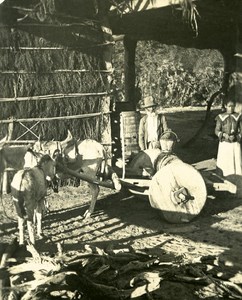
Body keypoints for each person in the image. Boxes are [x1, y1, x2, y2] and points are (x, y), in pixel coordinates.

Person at [215, 100, 242, 177]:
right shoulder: (220, 117)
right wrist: (224, 135)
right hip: (225, 143)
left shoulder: (239, 116)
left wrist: (237, 137)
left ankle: (238, 177)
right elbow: (216, 130)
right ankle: (224, 176)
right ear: (225, 106)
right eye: (229, 106)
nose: (231, 108)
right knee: (225, 162)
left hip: (235, 143)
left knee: (236, 161)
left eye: (233, 106)